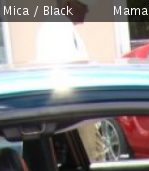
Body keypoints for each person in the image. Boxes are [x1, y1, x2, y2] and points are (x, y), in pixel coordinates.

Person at [35, 0, 105, 161]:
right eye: (84, 6)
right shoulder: (57, 28)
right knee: (92, 159)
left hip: (75, 113)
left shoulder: (62, 26)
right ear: (68, 3)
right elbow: (66, 79)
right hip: (75, 114)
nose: (87, 11)